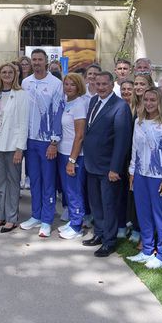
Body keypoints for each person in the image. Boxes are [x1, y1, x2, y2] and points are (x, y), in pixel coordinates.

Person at [81, 71, 133, 258]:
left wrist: (115, 168)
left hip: (108, 168)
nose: (101, 87)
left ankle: (109, 241)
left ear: (112, 85)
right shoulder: (94, 101)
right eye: (98, 84)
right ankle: (99, 233)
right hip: (91, 164)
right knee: (96, 204)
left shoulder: (120, 107)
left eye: (104, 84)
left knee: (109, 205)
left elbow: (122, 141)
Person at [127, 88, 162, 269]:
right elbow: (135, 148)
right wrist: (132, 172)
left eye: (153, 100)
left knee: (161, 216)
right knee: (144, 214)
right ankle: (147, 250)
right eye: (146, 100)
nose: (149, 103)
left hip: (159, 178)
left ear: (160, 102)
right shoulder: (139, 122)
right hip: (141, 175)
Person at [18, 48, 64, 237]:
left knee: (48, 181)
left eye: (40, 59)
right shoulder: (26, 82)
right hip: (30, 140)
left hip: (47, 141)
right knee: (34, 179)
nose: (36, 62)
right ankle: (36, 215)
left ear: (46, 62)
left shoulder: (56, 84)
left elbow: (58, 112)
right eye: (34, 59)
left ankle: (46, 219)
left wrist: (54, 141)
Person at [0, 62, 29, 233]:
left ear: (15, 75)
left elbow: (24, 123)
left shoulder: (21, 94)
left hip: (13, 142)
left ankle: (11, 218)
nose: (6, 75)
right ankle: (0, 215)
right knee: (0, 180)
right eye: (3, 72)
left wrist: (20, 148)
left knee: (12, 180)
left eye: (10, 72)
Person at [57, 72, 88, 240]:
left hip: (74, 155)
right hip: (63, 152)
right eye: (66, 84)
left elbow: (80, 135)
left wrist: (72, 160)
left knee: (74, 191)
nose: (69, 87)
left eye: (73, 84)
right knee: (68, 190)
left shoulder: (79, 104)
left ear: (79, 87)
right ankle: (73, 220)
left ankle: (77, 226)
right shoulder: (67, 102)